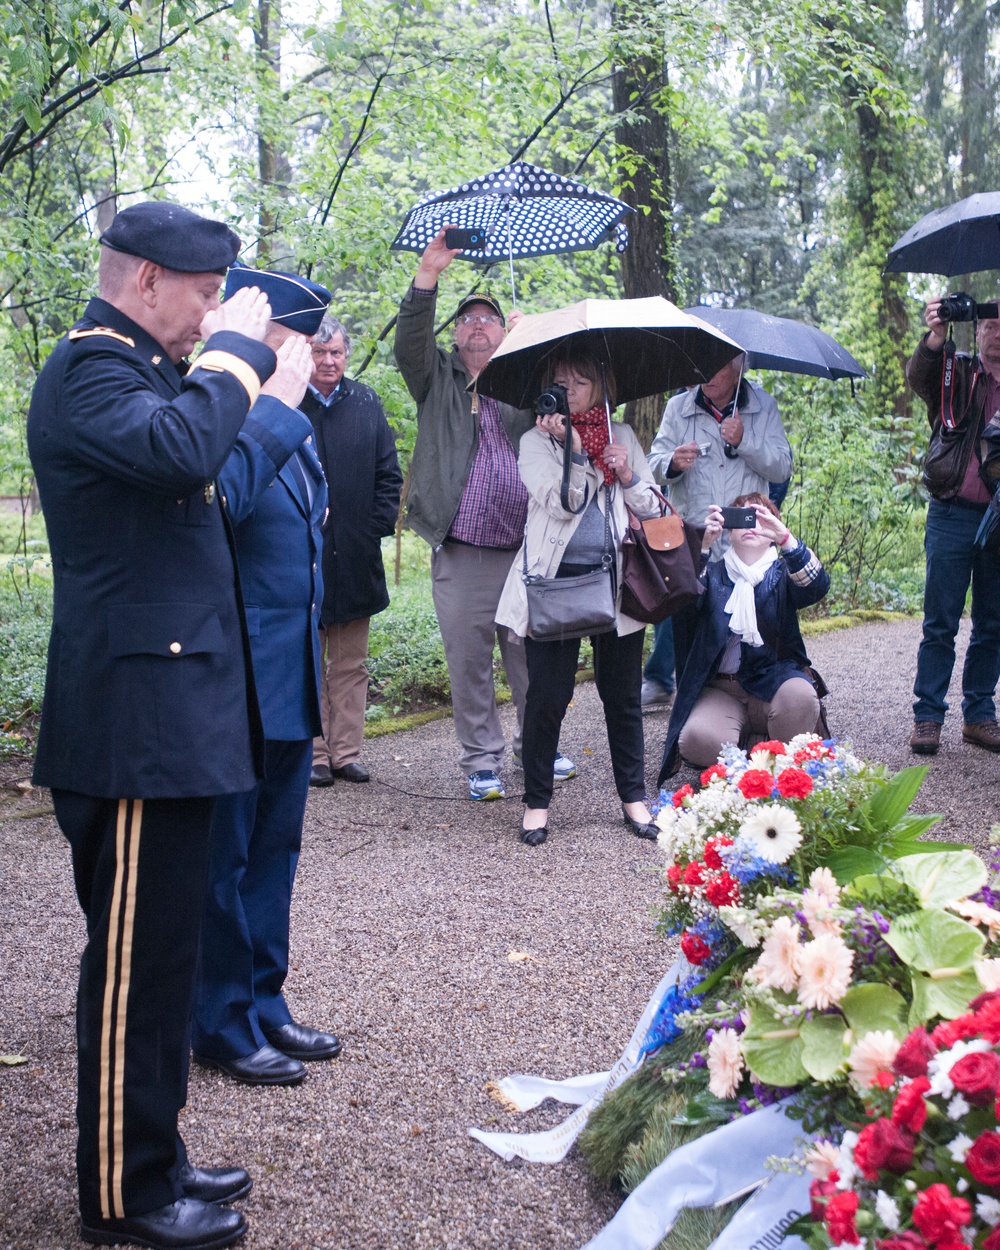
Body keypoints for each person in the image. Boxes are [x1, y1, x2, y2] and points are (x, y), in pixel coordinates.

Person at [26, 201, 291, 1250]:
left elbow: (212, 484)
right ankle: (122, 1195)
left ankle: (157, 1152)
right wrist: (237, 354)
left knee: (166, 961)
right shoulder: (91, 368)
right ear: (144, 280)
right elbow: (187, 449)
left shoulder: (138, 375)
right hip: (134, 726)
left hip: (170, 723)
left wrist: (243, 379)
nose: (210, 312)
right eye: (202, 294)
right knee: (132, 970)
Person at [192, 266, 343, 1089]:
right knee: (227, 854)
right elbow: (223, 510)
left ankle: (264, 999)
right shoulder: (216, 415)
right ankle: (218, 1018)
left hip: (289, 670)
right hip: (233, 677)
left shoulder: (295, 422)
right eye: (292, 340)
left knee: (275, 850)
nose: (305, 355)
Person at [394, 226, 575, 800]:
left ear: (502, 332)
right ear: (456, 335)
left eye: (488, 319)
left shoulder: (527, 383)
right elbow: (410, 341)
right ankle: (481, 760)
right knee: (468, 659)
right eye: (467, 319)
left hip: (526, 547)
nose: (477, 324)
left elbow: (572, 407)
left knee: (529, 658)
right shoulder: (435, 382)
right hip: (462, 550)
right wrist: (429, 276)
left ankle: (537, 748)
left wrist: (537, 340)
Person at [496, 346, 662, 846]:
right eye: (560, 381)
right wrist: (575, 447)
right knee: (547, 698)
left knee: (623, 698)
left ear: (602, 387)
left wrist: (628, 473)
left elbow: (654, 511)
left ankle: (633, 799)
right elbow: (564, 503)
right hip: (554, 586)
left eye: (580, 381)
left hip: (616, 588)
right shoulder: (533, 441)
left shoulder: (624, 435)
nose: (568, 389)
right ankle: (537, 804)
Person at [643, 361, 792, 708]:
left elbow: (782, 467)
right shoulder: (678, 407)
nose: (705, 375)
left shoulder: (762, 405)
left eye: (716, 367)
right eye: (700, 366)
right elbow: (651, 464)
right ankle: (690, 710)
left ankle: (746, 705)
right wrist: (672, 463)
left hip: (745, 541)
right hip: (695, 538)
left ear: (738, 368)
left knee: (743, 631)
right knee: (689, 626)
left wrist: (745, 441)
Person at [657, 493, 829, 783]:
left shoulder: (783, 573)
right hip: (721, 690)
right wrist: (702, 546)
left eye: (760, 518)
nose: (751, 525)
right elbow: (681, 604)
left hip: (774, 684)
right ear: (729, 530)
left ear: (772, 532)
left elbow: (817, 587)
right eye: (743, 519)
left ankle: (768, 754)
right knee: (696, 741)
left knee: (801, 698)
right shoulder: (712, 574)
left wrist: (786, 537)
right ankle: (753, 748)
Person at [302, 315, 402, 787]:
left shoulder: (365, 401)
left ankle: (346, 751)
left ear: (346, 354)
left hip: (356, 553)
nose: (328, 361)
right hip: (302, 556)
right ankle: (315, 754)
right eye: (319, 353)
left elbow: (389, 472)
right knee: (307, 659)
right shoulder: (287, 402)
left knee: (350, 662)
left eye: (336, 352)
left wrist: (373, 526)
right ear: (307, 354)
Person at [907, 300, 1000, 756]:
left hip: (998, 519)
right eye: (989, 324)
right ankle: (928, 717)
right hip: (952, 512)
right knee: (940, 621)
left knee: (993, 622)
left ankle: (979, 714)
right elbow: (918, 379)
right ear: (978, 331)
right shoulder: (958, 372)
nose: (997, 333)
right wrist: (936, 337)